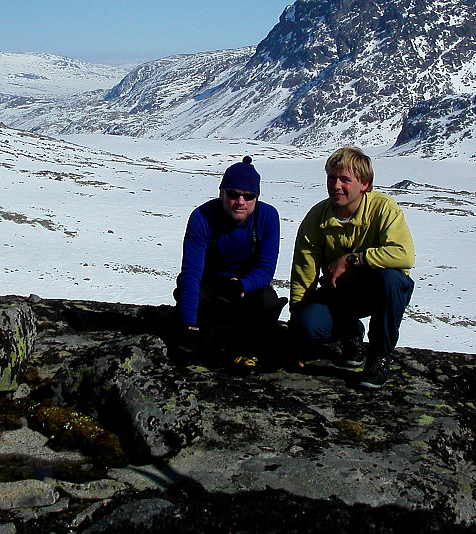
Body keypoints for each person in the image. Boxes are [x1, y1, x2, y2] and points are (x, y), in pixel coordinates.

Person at [289, 147, 415, 388]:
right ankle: (350, 333)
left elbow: (404, 255)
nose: (336, 185)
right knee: (309, 327)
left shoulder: (383, 209)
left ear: (364, 184)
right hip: (339, 295)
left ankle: (379, 357)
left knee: (392, 280)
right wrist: (297, 328)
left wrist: (352, 259)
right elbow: (303, 272)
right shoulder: (317, 217)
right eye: (331, 178)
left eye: (345, 179)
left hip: (377, 291)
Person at [173, 156, 284, 371]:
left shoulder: (268, 217)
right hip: (210, 285)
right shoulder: (202, 217)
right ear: (221, 193)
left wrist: (241, 285)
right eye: (233, 194)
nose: (240, 202)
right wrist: (188, 326)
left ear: (256, 198)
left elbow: (265, 270)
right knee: (189, 296)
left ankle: (246, 345)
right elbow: (191, 273)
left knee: (267, 301)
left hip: (247, 287)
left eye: (248, 196)